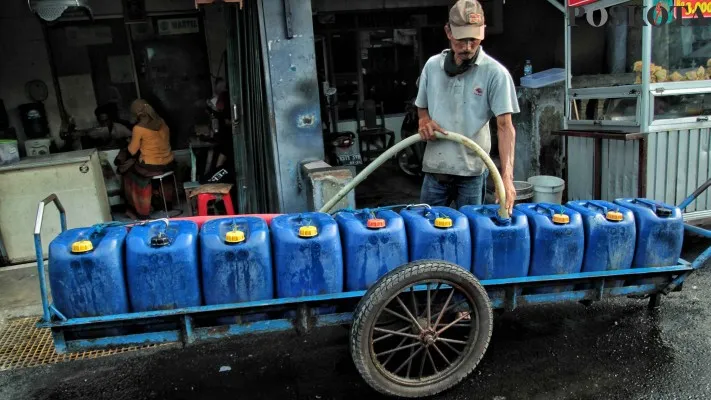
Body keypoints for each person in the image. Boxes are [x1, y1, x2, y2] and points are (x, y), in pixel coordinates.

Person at [415, 0, 518, 214]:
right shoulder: (432, 67)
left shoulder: (495, 73)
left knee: (470, 235)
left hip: (471, 174)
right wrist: (424, 121)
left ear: (483, 33)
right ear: (448, 32)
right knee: (426, 231)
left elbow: (505, 127)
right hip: (435, 171)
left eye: (474, 39)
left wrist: (506, 179)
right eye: (462, 40)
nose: (468, 47)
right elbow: (421, 107)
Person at [115, 99, 175, 220]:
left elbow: (132, 150)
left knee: (127, 172)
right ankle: (166, 203)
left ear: (136, 113)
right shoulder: (161, 122)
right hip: (168, 162)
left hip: (152, 166)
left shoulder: (139, 128)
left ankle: (141, 211)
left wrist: (129, 142)